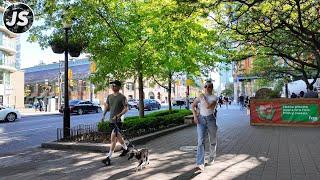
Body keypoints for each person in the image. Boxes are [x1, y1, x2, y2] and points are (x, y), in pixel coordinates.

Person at [101, 80, 129, 166]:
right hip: (111, 121)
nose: (113, 87)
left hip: (118, 121)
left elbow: (126, 109)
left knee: (113, 138)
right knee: (119, 137)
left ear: (119, 87)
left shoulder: (122, 97)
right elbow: (107, 107)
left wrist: (118, 115)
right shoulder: (109, 97)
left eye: (115, 86)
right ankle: (126, 148)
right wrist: (103, 115)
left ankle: (108, 157)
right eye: (112, 86)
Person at [192, 81, 218, 171]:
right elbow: (193, 105)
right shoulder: (200, 96)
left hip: (211, 120)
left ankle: (211, 158)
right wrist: (195, 116)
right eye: (205, 86)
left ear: (212, 88)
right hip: (201, 120)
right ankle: (200, 163)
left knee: (213, 140)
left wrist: (203, 98)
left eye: (209, 86)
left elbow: (209, 107)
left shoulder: (214, 97)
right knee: (200, 141)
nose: (207, 88)